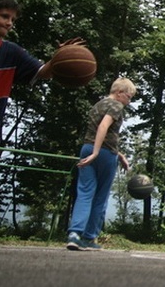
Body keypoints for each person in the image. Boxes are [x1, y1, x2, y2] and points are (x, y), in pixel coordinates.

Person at [0, 0, 67, 248]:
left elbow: (42, 72)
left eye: (13, 19)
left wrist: (60, 59)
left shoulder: (11, 53)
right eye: (4, 16)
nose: (9, 23)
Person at [66, 77, 136, 251]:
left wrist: (119, 155)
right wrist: (98, 152)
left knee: (84, 192)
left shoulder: (98, 105)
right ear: (119, 93)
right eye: (129, 96)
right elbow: (103, 127)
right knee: (100, 198)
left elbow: (99, 132)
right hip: (103, 155)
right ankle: (89, 238)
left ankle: (74, 234)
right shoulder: (116, 106)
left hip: (87, 149)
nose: (129, 101)